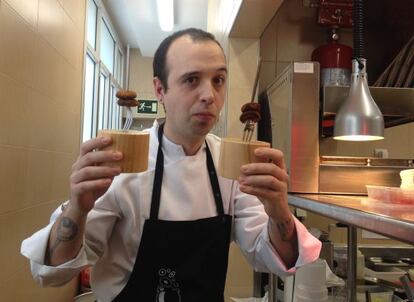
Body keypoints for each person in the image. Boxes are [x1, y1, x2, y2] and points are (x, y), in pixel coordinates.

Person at [21, 28, 321, 302]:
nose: (209, 96)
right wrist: (78, 207)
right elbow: (54, 272)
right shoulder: (123, 161)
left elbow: (272, 257)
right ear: (160, 89)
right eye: (191, 80)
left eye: (218, 80)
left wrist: (278, 210)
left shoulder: (229, 165)